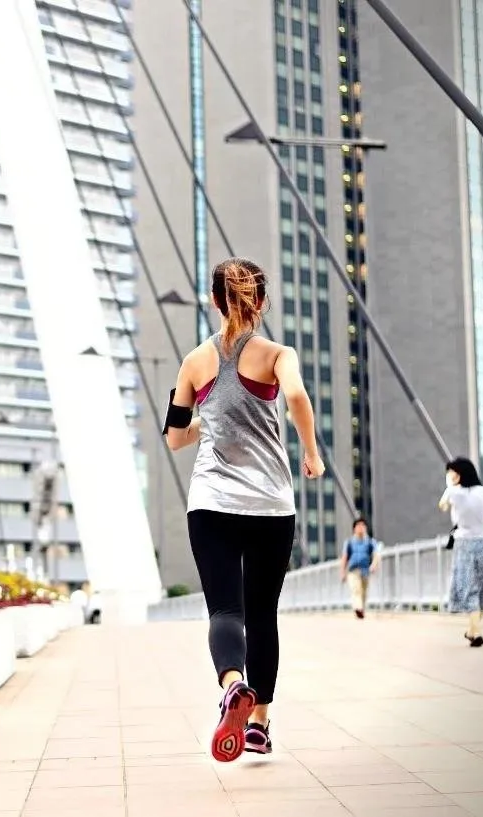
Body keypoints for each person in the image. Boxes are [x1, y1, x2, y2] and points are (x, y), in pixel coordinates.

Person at [164, 257, 325, 762]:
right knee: (263, 614)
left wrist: (206, 426)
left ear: (214, 300)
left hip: (210, 503)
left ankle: (233, 683)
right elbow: (296, 397)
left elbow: (174, 438)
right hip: (270, 506)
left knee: (225, 610)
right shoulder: (278, 354)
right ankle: (258, 725)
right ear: (260, 302)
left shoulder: (193, 362)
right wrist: (311, 452)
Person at [438, 457, 483, 647]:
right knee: (482, 586)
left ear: (457, 473)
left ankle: (476, 631)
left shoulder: (453, 492)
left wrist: (450, 485)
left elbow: (442, 506)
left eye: (451, 472)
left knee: (468, 587)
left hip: (464, 544)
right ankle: (473, 631)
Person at [339, 517, 380, 619]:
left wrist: (374, 565)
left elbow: (376, 555)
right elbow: (344, 558)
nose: (361, 528)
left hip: (365, 570)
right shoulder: (349, 542)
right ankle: (358, 608)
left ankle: (361, 609)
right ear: (354, 529)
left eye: (363, 525)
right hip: (353, 570)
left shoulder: (371, 542)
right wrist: (342, 572)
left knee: (364, 592)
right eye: (358, 526)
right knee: (356, 590)